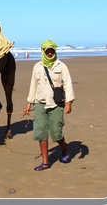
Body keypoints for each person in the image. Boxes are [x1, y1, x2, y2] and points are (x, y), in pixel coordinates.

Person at [23, 40, 75, 171]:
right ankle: (45, 162)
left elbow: (68, 84)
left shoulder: (61, 66)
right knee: (41, 133)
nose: (50, 53)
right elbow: (33, 85)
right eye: (47, 51)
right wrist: (29, 103)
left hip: (56, 104)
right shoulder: (37, 66)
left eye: (52, 50)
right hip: (40, 104)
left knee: (56, 133)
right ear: (43, 52)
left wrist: (69, 102)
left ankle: (64, 149)